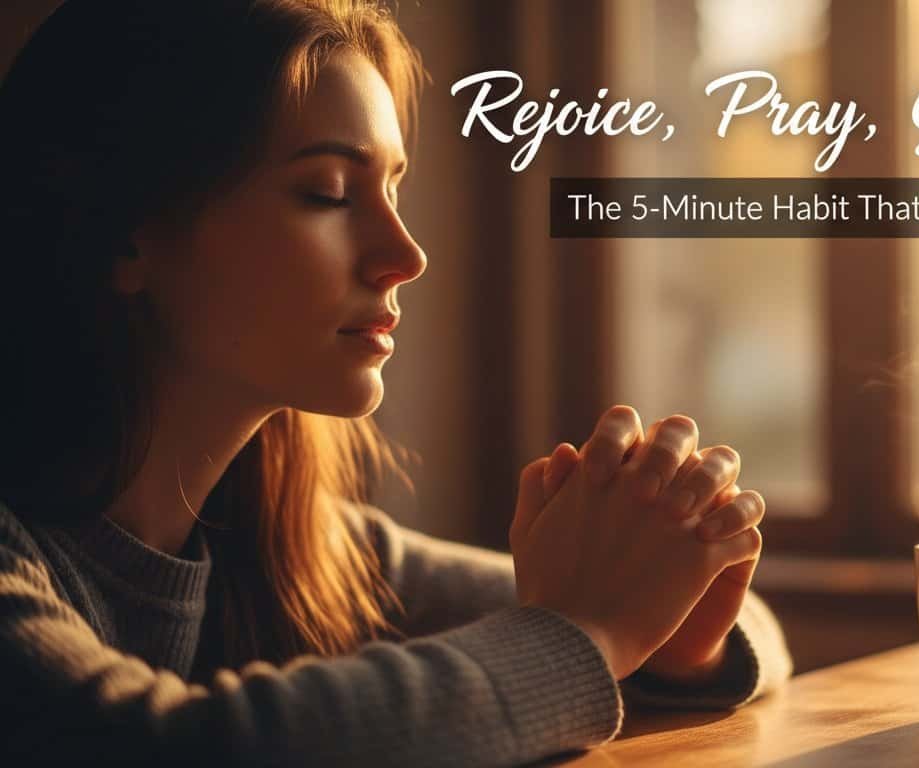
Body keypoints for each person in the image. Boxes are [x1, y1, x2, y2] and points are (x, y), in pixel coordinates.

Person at [0, 1, 792, 765]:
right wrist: (590, 632)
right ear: (123, 238)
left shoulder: (295, 546)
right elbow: (169, 752)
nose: (406, 254)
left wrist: (675, 633)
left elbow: (755, 620)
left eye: (395, 189)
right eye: (329, 194)